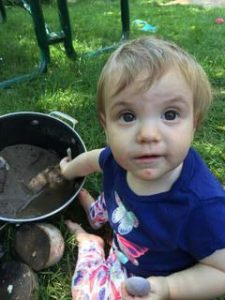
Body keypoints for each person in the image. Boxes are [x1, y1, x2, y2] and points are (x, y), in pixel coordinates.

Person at [60, 36, 225, 299]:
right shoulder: (116, 157)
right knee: (115, 199)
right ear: (106, 125)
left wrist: (169, 289)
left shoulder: (201, 206)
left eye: (170, 114)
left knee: (86, 294)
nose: (148, 134)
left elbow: (221, 271)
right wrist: (67, 172)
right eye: (128, 116)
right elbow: (92, 161)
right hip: (122, 213)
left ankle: (90, 243)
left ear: (194, 122)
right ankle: (96, 213)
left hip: (146, 280)